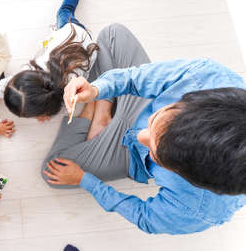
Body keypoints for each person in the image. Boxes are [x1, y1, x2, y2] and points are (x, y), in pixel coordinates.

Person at [42, 23, 246, 234]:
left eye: (156, 155)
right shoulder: (207, 77)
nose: (140, 136)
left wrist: (86, 180)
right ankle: (103, 109)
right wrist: (96, 90)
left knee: (51, 169)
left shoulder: (200, 209)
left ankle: (107, 110)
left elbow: (144, 216)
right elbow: (137, 77)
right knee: (112, 35)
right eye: (158, 117)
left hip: (130, 158)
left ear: (190, 177)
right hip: (138, 103)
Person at [0, 0, 113, 131]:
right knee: (63, 12)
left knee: (64, 11)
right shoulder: (33, 70)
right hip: (72, 33)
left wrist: (45, 115)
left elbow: (7, 85)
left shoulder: (68, 99)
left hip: (78, 39)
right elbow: (7, 85)